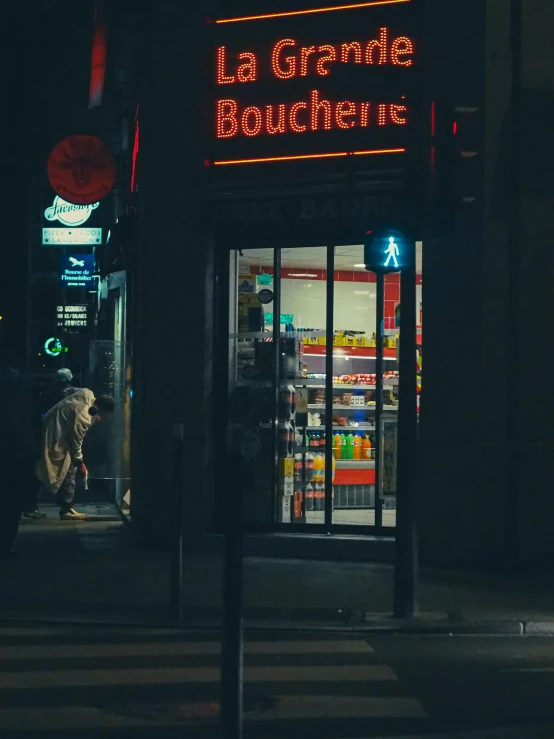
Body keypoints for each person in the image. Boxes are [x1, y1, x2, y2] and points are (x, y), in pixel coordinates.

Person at [36, 389, 115, 520]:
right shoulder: (84, 417)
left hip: (52, 423)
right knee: (66, 471)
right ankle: (66, 509)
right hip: (56, 435)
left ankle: (57, 506)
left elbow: (69, 391)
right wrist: (80, 463)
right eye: (104, 414)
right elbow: (76, 442)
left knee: (47, 470)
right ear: (102, 410)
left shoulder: (87, 393)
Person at [0, 357, 37, 557]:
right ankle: (5, 545)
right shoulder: (19, 411)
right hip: (14, 464)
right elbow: (26, 439)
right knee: (10, 508)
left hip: (10, 462)